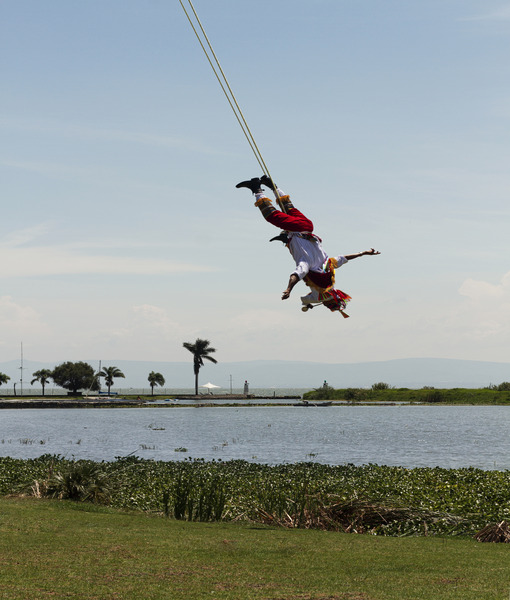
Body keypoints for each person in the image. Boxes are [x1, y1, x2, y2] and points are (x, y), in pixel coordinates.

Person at [236, 175, 380, 315]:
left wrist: (363, 253)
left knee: (288, 207)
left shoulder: (328, 267)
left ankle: (271, 184)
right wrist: (288, 289)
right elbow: (296, 275)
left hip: (307, 226)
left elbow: (344, 258)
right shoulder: (307, 266)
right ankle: (256, 188)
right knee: (271, 215)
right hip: (296, 230)